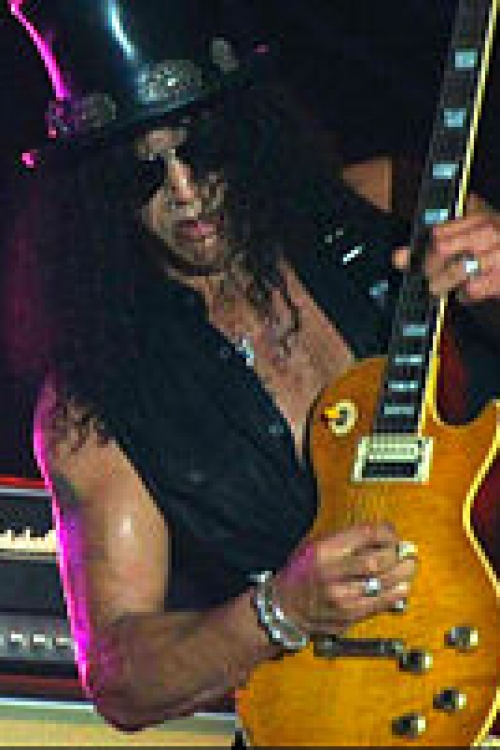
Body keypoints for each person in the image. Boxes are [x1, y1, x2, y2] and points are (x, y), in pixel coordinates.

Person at [6, 0, 500, 737]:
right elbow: (119, 673)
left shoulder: (393, 206)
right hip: (345, 717)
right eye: (142, 174)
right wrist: (278, 612)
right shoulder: (96, 403)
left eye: (199, 151)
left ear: (247, 133)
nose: (183, 190)